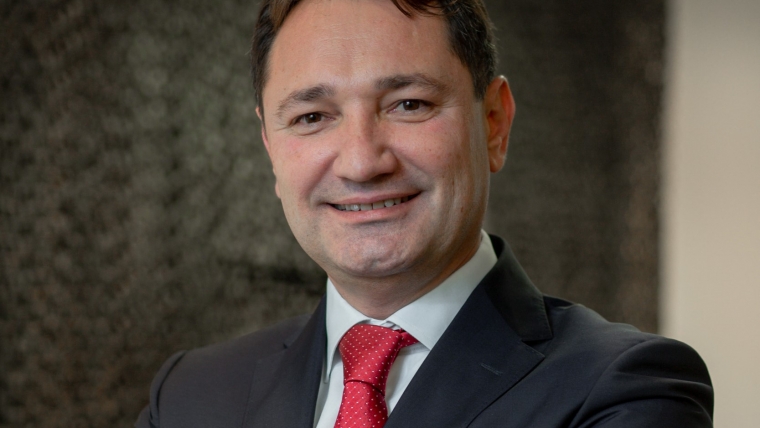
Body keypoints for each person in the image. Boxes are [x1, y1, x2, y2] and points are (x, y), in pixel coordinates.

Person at [136, 0, 714, 426]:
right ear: (270, 148)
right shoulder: (187, 398)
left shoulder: (625, 390)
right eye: (312, 117)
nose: (361, 162)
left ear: (494, 124)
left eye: (408, 104)